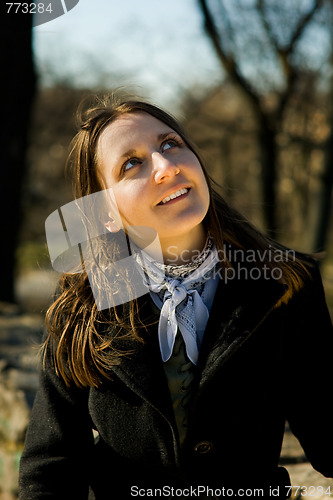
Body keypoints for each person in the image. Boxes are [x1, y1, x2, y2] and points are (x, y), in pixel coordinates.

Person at [19, 95, 333, 500]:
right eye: (132, 164)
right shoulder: (81, 308)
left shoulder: (286, 284)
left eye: (170, 144)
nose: (167, 167)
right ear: (106, 213)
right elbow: (51, 468)